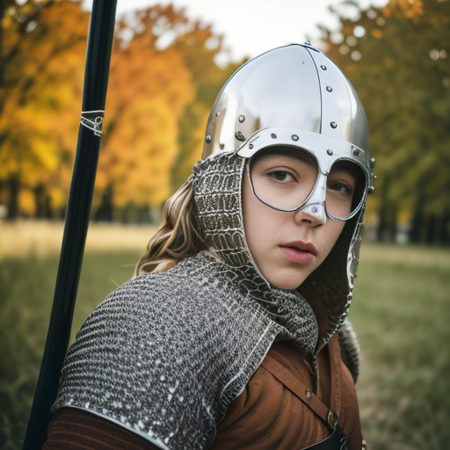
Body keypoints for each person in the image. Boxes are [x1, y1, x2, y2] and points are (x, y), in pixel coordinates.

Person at [43, 43, 374, 450]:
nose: (316, 211)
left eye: (340, 186)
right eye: (284, 174)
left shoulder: (325, 326)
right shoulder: (154, 329)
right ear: (224, 183)